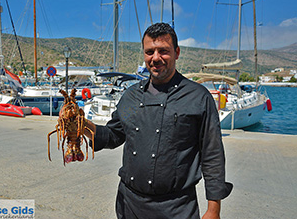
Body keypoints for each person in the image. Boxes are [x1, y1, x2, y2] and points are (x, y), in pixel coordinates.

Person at [85, 22, 232, 219]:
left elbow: (212, 155)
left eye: (163, 51)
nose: (155, 58)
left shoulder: (198, 97)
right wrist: (81, 125)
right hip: (130, 204)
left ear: (177, 52)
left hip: (177, 207)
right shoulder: (131, 96)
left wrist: (213, 210)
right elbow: (113, 135)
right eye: (149, 51)